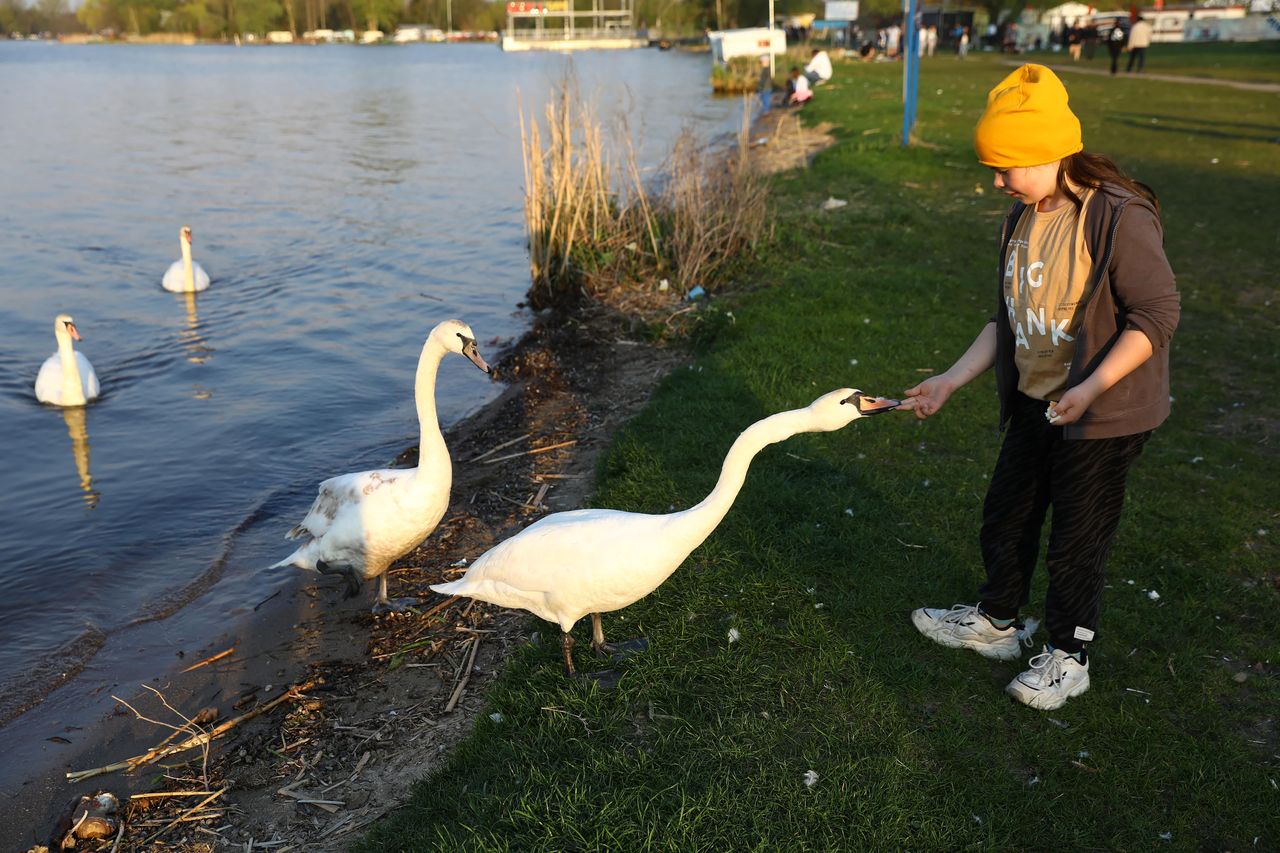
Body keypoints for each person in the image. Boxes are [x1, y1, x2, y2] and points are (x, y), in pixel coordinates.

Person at [901, 64, 1180, 711]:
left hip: (1102, 412)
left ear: (1048, 151)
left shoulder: (1116, 214)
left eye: (1006, 166)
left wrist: (1091, 387)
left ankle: (1069, 653)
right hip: (1038, 400)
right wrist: (948, 380)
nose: (997, 181)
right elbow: (1008, 319)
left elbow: (1156, 317)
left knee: (1078, 536)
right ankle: (998, 622)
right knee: (1009, 511)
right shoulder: (1022, 217)